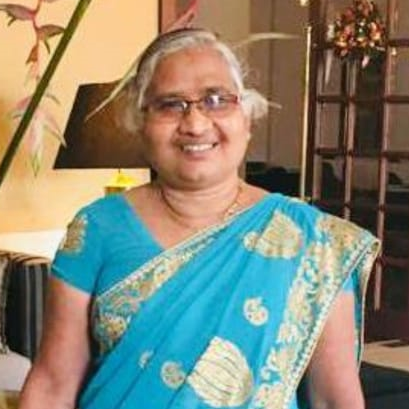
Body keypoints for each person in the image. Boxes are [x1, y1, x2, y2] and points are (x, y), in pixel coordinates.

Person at [18, 28, 379, 409]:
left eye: (217, 100)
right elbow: (53, 385)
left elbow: (334, 401)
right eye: (170, 104)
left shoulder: (313, 241)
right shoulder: (97, 228)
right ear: (140, 123)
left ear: (247, 118)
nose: (194, 124)